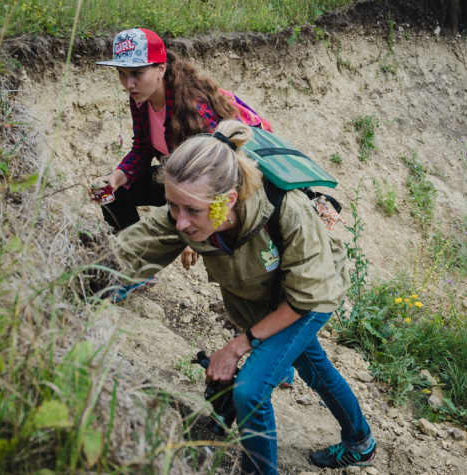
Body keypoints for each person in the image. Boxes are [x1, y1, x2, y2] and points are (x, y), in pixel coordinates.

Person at [113, 120, 376, 474]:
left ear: (228, 201)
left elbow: (305, 297)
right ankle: (360, 442)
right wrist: (80, 276)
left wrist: (239, 346)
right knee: (313, 367)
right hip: (268, 297)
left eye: (191, 210)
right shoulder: (188, 211)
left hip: (309, 296)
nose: (179, 222)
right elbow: (129, 250)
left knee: (250, 392)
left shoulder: (289, 213)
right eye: (173, 205)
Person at [91, 28, 272, 301]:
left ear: (161, 69)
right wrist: (116, 178)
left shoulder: (195, 108)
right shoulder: (140, 100)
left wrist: (196, 236)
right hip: (175, 179)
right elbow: (141, 149)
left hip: (218, 191)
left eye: (137, 73)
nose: (128, 83)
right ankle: (135, 270)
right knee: (118, 194)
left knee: (181, 218)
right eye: (121, 73)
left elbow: (224, 174)